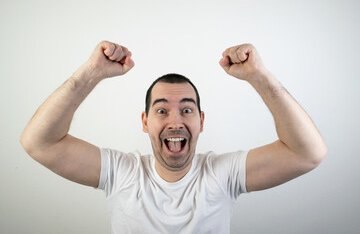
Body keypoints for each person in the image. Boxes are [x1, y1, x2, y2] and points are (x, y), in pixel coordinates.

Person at [20, 41, 327, 233]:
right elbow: (38, 142)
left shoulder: (222, 174)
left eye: (187, 110)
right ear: (145, 122)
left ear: (202, 121)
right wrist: (90, 73)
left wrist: (260, 76)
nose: (176, 122)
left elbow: (308, 153)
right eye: (162, 111)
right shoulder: (120, 172)